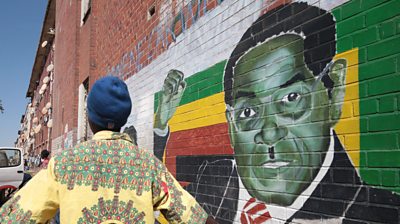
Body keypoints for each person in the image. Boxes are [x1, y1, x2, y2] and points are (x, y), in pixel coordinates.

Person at [154, 2, 400, 224]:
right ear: (231, 125)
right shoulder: (219, 177)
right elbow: (161, 195)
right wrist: (160, 124)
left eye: (291, 98)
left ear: (334, 92)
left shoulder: (375, 213)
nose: (269, 134)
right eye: (248, 112)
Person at [0, 76, 215, 224]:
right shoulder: (149, 166)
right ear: (124, 118)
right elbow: (195, 217)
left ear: (91, 118)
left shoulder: (64, 164)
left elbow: (16, 216)